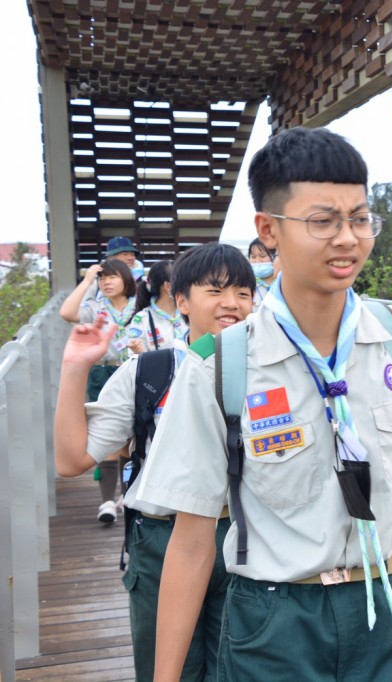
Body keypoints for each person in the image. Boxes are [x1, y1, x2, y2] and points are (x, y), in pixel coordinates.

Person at [133, 127, 392, 682]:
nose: (347, 238)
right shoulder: (221, 366)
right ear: (269, 230)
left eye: (360, 217)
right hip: (273, 624)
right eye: (322, 221)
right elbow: (192, 540)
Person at [53, 242, 255, 681]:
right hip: (162, 542)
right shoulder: (150, 372)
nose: (232, 304)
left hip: (245, 539)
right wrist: (75, 369)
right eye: (216, 291)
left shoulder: (269, 368)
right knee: (168, 670)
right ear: (180, 300)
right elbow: (72, 460)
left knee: (241, 671)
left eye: (243, 292)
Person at [59, 257, 137, 522]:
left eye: (112, 276)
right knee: (107, 435)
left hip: (133, 370)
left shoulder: (140, 306)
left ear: (127, 278)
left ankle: (127, 494)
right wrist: (87, 280)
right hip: (103, 371)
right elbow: (67, 313)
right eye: (103, 278)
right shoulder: (96, 307)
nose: (106, 282)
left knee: (132, 438)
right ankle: (106, 502)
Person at [126, 259, 187, 353]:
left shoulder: (190, 312)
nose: (188, 286)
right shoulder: (143, 319)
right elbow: (135, 359)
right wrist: (139, 352)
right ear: (168, 286)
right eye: (182, 282)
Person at [247, 237, 276, 307]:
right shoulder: (247, 285)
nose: (257, 261)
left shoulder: (284, 283)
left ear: (274, 256)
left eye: (263, 256)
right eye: (253, 257)